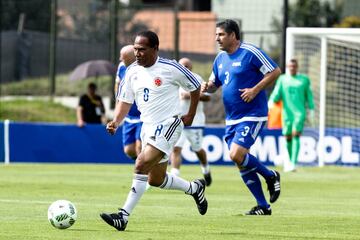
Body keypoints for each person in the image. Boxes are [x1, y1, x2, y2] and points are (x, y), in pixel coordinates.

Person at [100, 30, 208, 231]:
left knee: (140, 164)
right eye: (136, 49)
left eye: (142, 49)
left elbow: (195, 87)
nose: (138, 53)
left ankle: (122, 216)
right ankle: (194, 188)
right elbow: (125, 100)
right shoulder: (131, 71)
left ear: (155, 49)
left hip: (169, 124)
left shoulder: (171, 68)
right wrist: (116, 121)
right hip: (147, 126)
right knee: (156, 179)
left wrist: (191, 114)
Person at [202, 19, 281, 215]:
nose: (217, 38)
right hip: (232, 118)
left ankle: (270, 175)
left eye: (220, 34)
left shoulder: (250, 52)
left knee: (236, 154)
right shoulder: (220, 59)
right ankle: (263, 206)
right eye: (216, 34)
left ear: (233, 35)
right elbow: (215, 84)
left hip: (253, 114)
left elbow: (275, 71)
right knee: (240, 160)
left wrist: (255, 90)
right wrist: (207, 87)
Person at [170, 57, 212, 186]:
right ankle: (174, 175)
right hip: (178, 119)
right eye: (182, 66)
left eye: (186, 66)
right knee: (176, 148)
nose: (184, 68)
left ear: (191, 68)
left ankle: (206, 169)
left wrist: (190, 95)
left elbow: (207, 97)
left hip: (196, 120)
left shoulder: (197, 79)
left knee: (197, 149)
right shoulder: (174, 78)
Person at [268, 59, 315, 172]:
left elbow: (309, 95)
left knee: (296, 135)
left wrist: (311, 109)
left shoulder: (304, 80)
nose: (292, 68)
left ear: (297, 67)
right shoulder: (283, 79)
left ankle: (294, 163)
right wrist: (271, 102)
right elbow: (277, 93)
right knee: (288, 137)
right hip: (287, 114)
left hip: (299, 113)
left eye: (294, 66)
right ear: (288, 67)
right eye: (290, 66)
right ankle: (289, 161)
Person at [115, 45, 142, 159]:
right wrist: (118, 100)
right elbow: (118, 83)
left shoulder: (144, 69)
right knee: (129, 150)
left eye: (123, 57)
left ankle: (143, 174)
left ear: (132, 58)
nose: (121, 59)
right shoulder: (121, 67)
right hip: (129, 115)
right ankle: (146, 168)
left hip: (143, 116)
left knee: (139, 148)